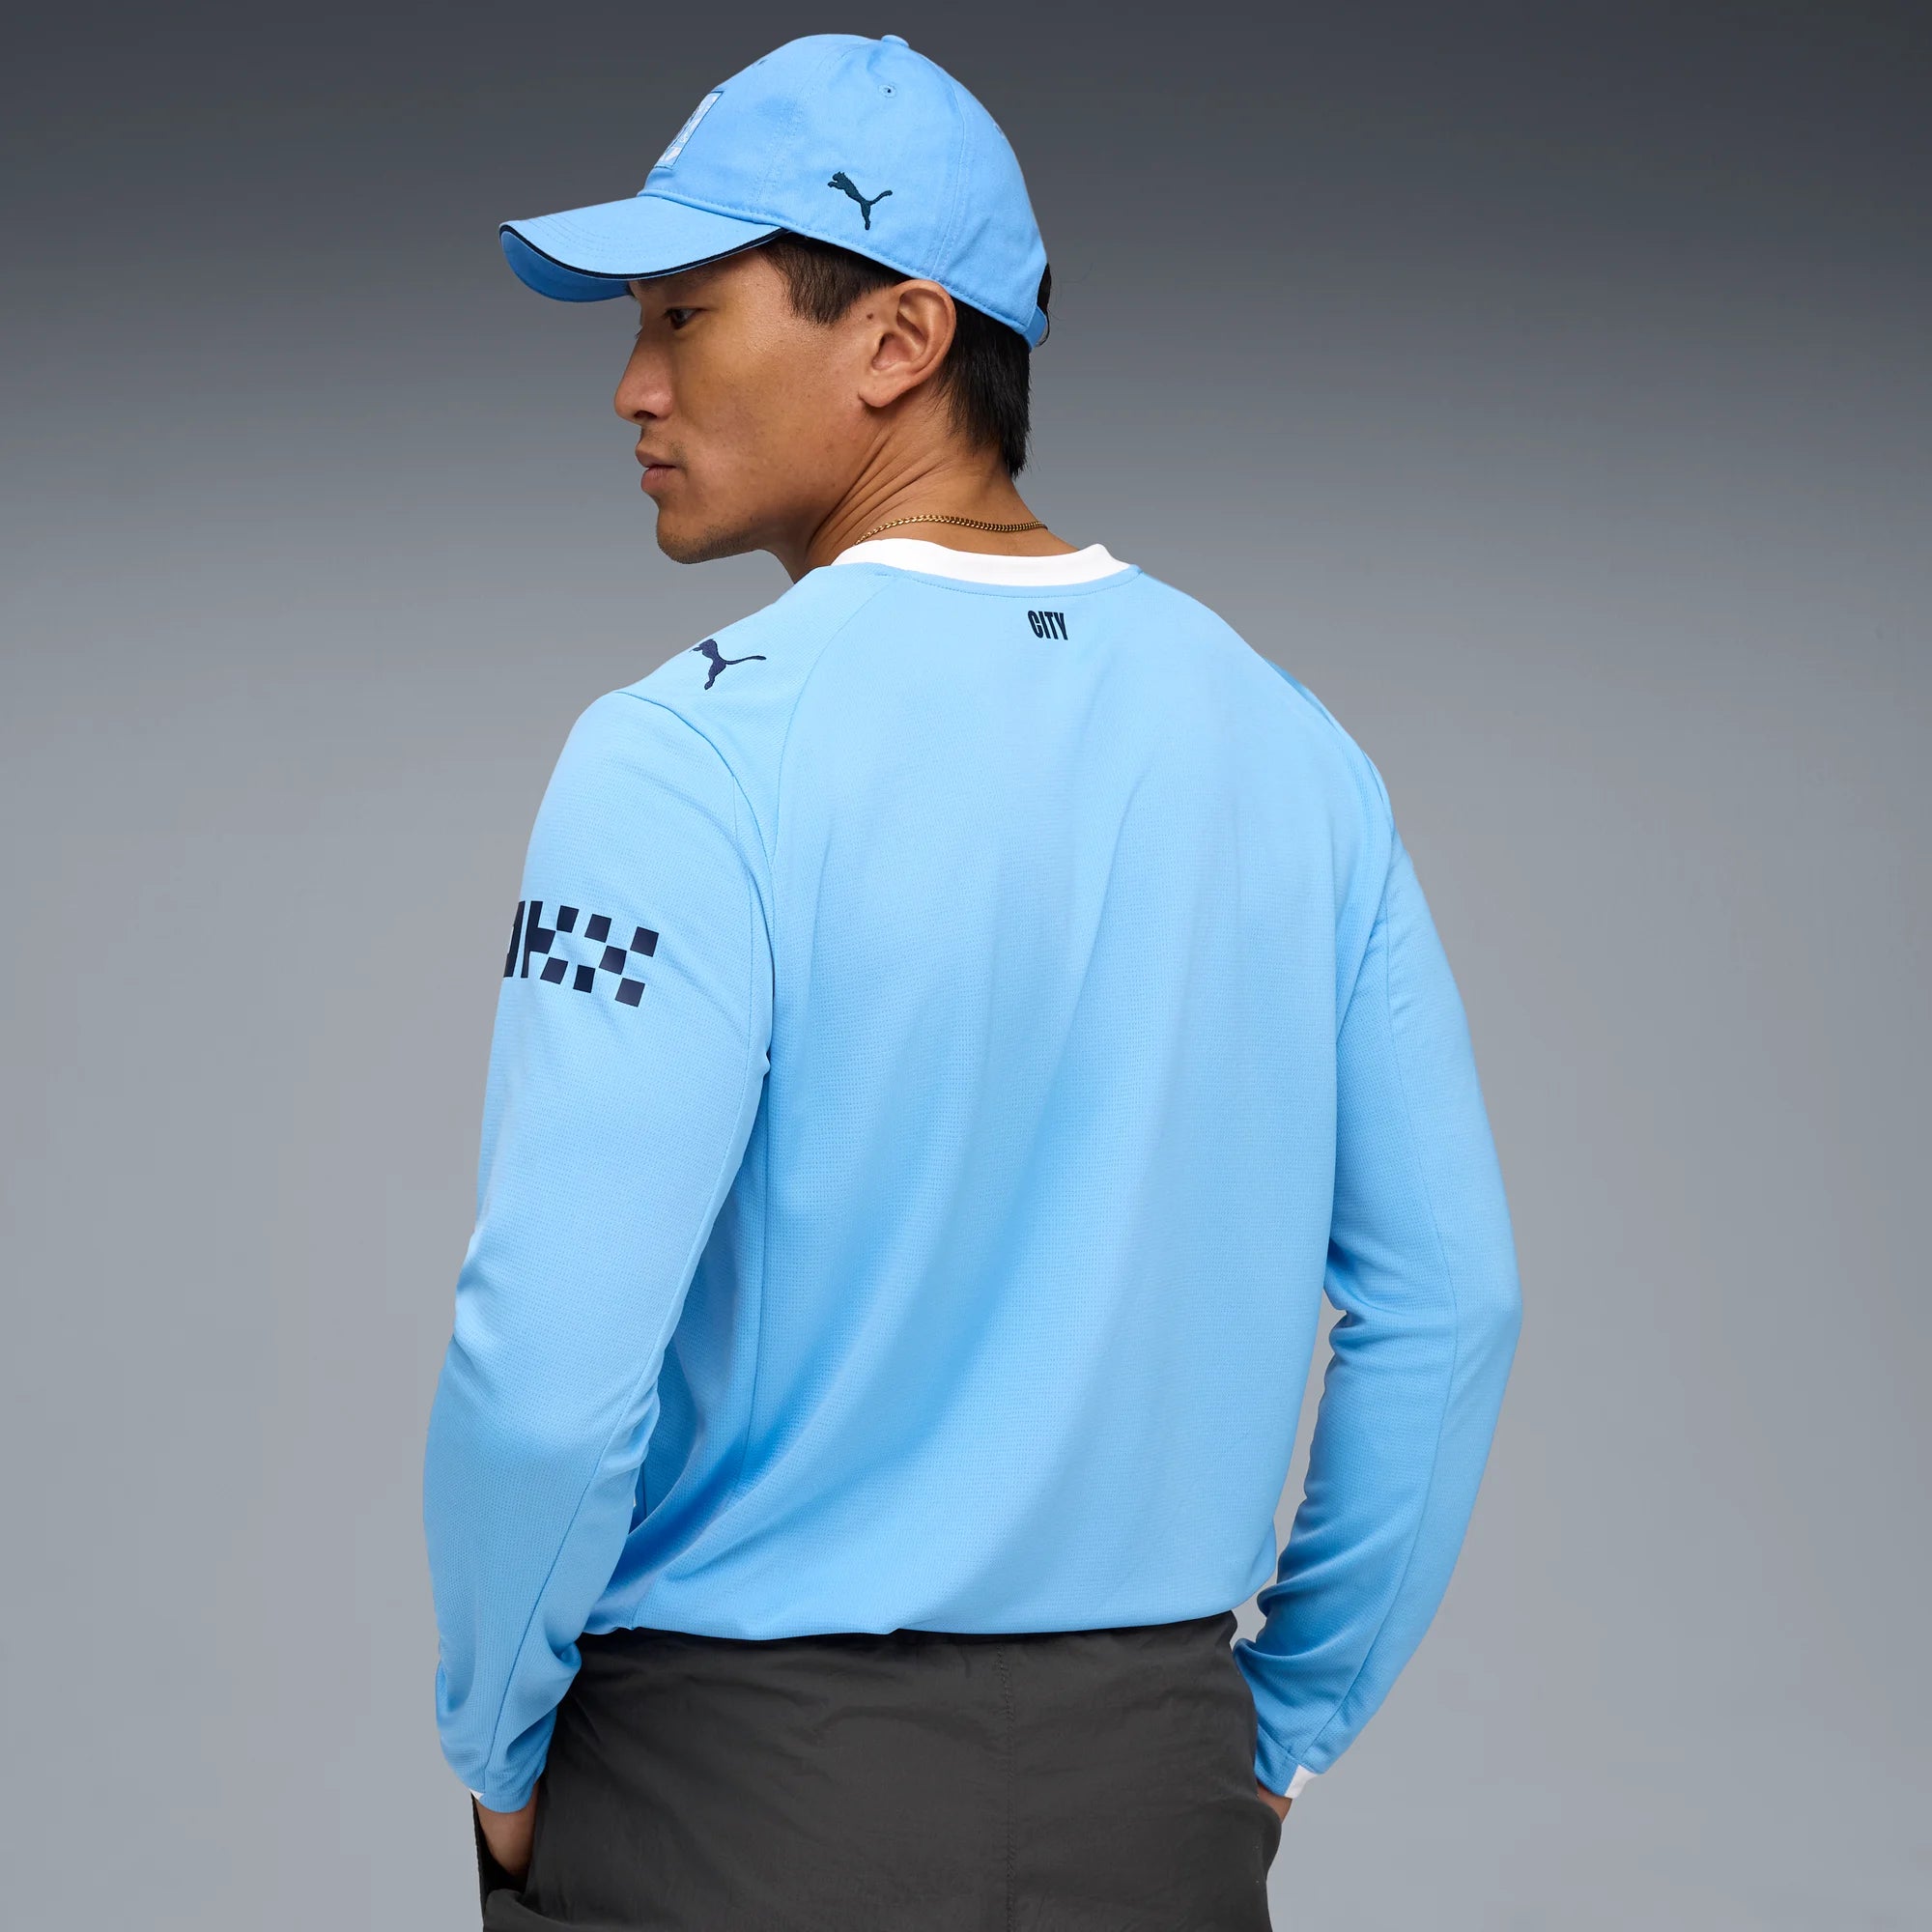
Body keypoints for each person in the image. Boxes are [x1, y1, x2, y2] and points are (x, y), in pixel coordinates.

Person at [421, 31, 1522, 1932]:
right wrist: (1274, 1730)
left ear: (901, 338)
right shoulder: (1290, 749)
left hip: (727, 1807)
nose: (631, 384)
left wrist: (499, 1755)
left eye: (683, 316)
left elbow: (545, 1379)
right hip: (1158, 1810)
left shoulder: (685, 758)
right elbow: (1450, 1303)